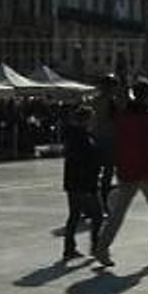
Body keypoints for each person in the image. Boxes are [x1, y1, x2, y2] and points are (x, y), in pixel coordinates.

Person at [94, 78, 148, 268]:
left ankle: (101, 247)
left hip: (128, 170)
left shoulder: (122, 118)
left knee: (118, 213)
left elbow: (116, 142)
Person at [62, 105, 102, 260]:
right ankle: (95, 244)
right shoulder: (84, 138)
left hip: (72, 182)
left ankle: (69, 247)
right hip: (84, 183)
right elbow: (88, 161)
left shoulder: (72, 137)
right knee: (97, 215)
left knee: (74, 215)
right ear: (87, 120)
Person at [94, 75, 120, 211]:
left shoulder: (94, 101)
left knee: (95, 171)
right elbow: (117, 121)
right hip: (109, 139)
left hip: (95, 138)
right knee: (108, 171)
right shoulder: (111, 102)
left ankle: (92, 201)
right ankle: (104, 200)